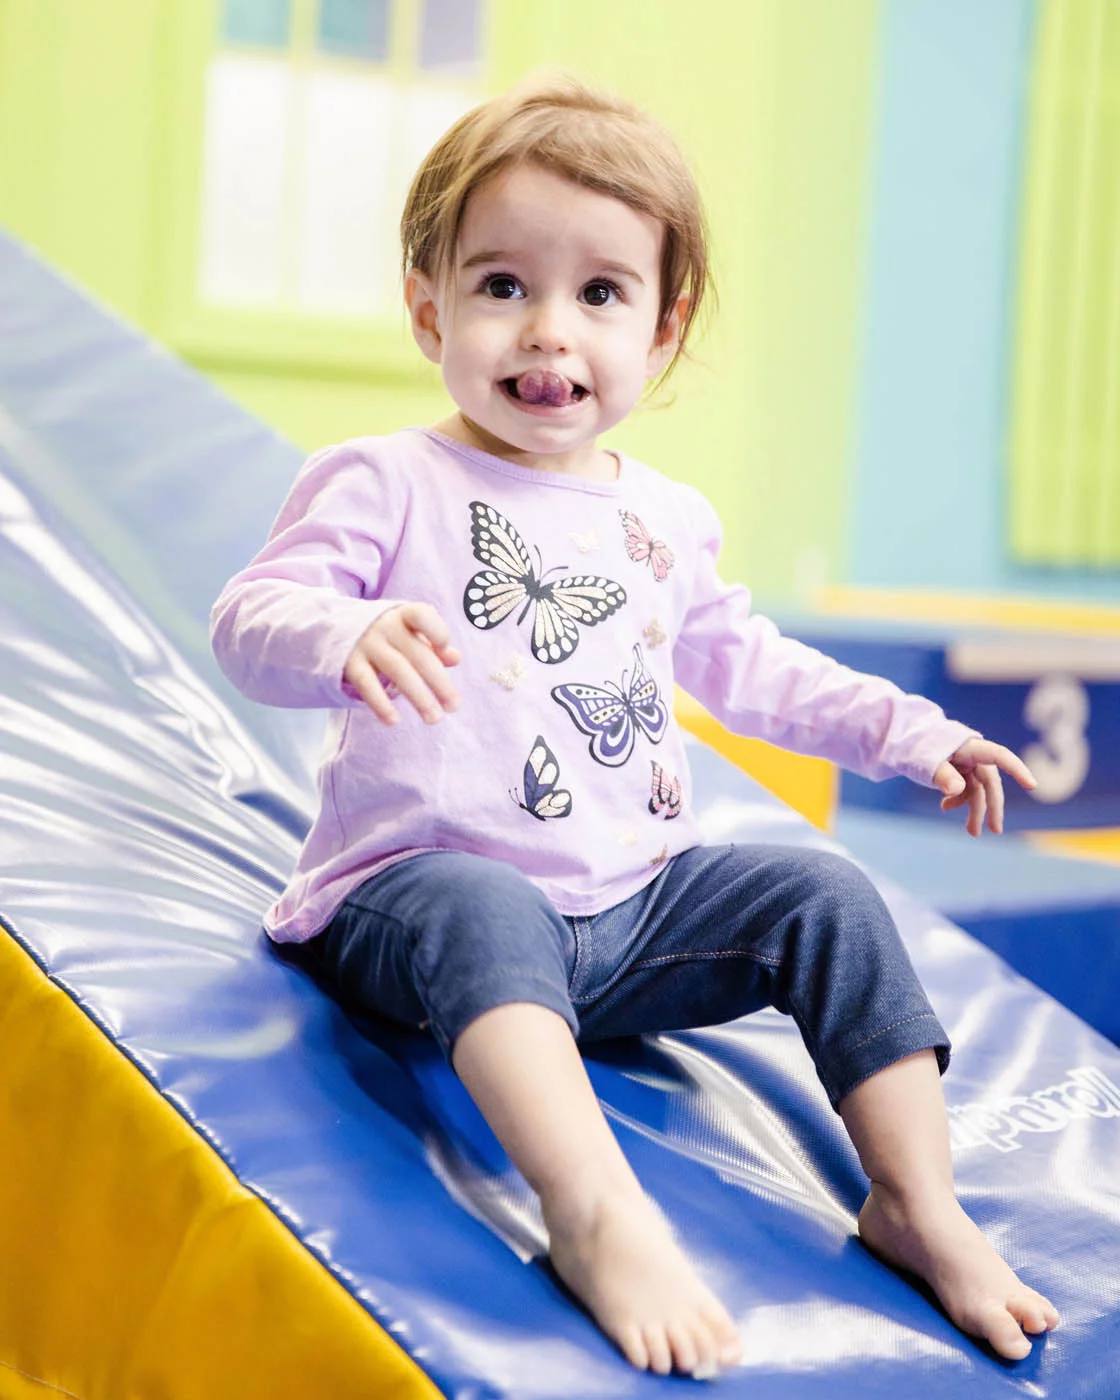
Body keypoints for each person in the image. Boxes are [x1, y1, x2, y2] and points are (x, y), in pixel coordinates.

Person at [210, 75, 1059, 1380]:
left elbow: (752, 666)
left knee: (818, 895)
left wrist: (911, 735)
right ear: (428, 305)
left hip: (629, 917)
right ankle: (597, 1210)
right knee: (485, 907)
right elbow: (251, 616)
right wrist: (340, 635)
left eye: (599, 295)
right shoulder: (390, 481)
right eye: (503, 286)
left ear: (661, 333)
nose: (548, 333)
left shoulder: (660, 516)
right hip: (422, 901)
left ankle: (919, 1203)